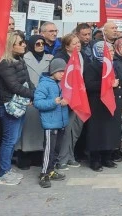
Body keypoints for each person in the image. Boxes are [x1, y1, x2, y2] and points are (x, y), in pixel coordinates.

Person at [0, 32, 33, 185]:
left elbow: (27, 81)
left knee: (14, 139)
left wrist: (32, 93)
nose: (24, 44)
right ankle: (2, 173)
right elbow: (14, 86)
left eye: (24, 41)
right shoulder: (4, 62)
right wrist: (33, 95)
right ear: (11, 45)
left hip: (20, 104)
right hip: (8, 105)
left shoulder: (20, 59)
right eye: (20, 42)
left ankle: (7, 169)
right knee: (9, 140)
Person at [84, 41, 122, 172]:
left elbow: (121, 85)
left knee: (110, 131)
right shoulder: (92, 66)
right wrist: (107, 84)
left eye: (112, 51)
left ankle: (107, 157)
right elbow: (89, 85)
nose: (112, 53)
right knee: (97, 133)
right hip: (97, 105)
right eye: (109, 51)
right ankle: (95, 160)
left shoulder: (113, 65)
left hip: (112, 103)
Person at [16, 35, 54, 170]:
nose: (40, 46)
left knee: (40, 129)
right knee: (26, 130)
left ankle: (38, 156)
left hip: (43, 98)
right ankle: (24, 156)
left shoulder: (50, 58)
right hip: (29, 98)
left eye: (42, 43)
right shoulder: (24, 59)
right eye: (37, 44)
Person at [33, 58, 69, 188]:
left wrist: (65, 101)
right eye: (60, 71)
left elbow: (64, 97)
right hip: (50, 123)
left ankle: (51, 170)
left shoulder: (60, 83)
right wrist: (53, 102)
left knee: (56, 149)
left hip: (60, 122)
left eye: (64, 71)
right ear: (53, 71)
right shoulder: (44, 84)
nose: (62, 74)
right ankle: (44, 174)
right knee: (49, 149)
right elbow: (37, 102)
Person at [54, 34, 85, 170]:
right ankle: (61, 159)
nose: (78, 45)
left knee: (75, 130)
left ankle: (70, 156)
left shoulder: (81, 56)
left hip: (79, 98)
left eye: (78, 43)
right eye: (74, 44)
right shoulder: (60, 58)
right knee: (66, 131)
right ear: (67, 46)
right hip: (67, 99)